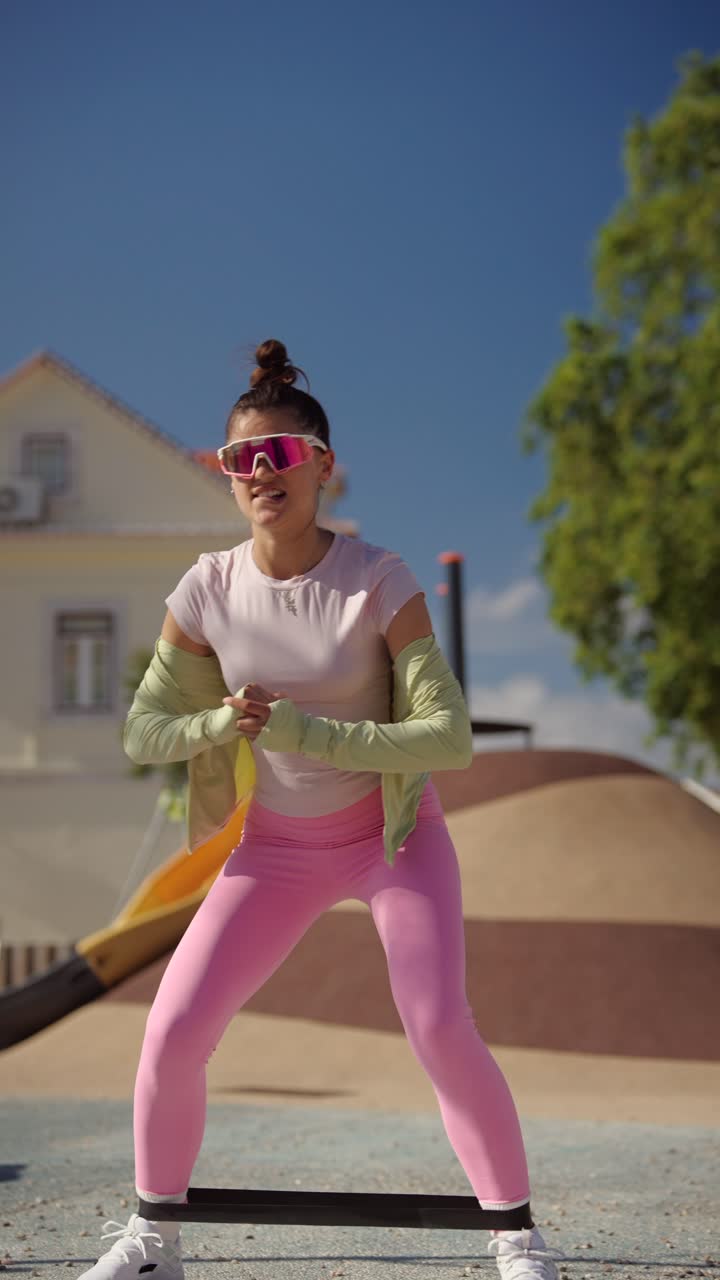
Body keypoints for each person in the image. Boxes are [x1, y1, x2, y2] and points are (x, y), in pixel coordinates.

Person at [79, 339, 564, 1280]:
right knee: (172, 1032)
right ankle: (155, 1241)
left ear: (323, 467)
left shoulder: (380, 580)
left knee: (438, 1026)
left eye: (281, 454)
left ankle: (516, 1238)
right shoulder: (207, 588)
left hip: (393, 841)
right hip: (276, 848)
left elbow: (449, 738)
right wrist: (220, 719)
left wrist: (310, 733)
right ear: (227, 475)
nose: (261, 472)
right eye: (241, 458)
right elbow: (144, 731)